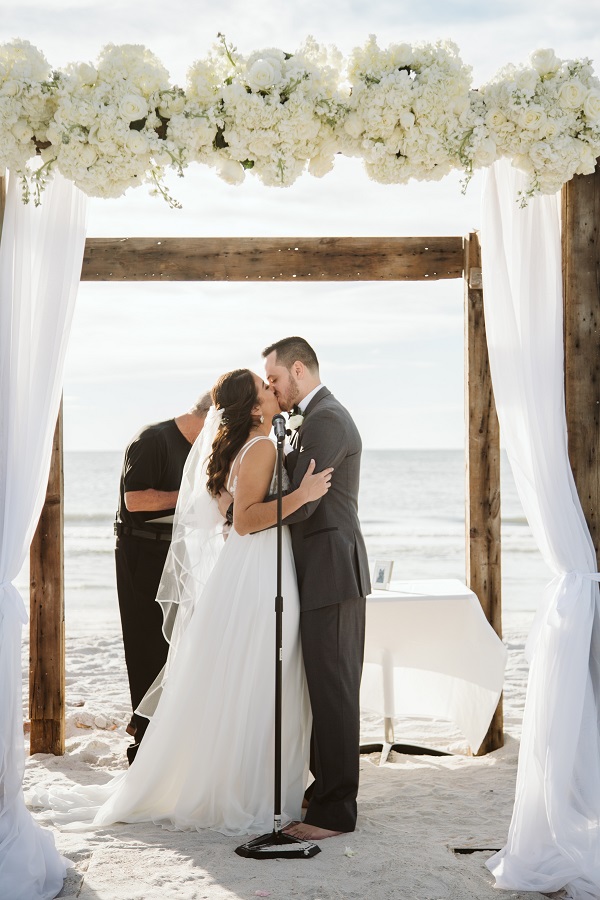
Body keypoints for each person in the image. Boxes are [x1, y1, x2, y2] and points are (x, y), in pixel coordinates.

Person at [32, 369, 332, 836]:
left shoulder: (248, 446)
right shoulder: (262, 447)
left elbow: (231, 510)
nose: (273, 392)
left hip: (251, 566)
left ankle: (249, 779)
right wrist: (301, 496)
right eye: (264, 389)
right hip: (256, 568)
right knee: (259, 670)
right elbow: (250, 521)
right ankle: (249, 788)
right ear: (254, 408)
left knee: (249, 671)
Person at [263, 337, 371, 840]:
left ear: (299, 370)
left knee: (334, 691)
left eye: (276, 379)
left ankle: (334, 812)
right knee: (322, 686)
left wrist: (252, 512)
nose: (273, 389)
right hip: (320, 571)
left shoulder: (326, 419)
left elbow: (303, 502)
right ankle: (322, 787)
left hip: (331, 569)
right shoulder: (314, 417)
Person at [114, 393, 211, 764]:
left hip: (174, 551)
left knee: (174, 645)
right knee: (145, 645)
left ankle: (162, 734)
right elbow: (135, 500)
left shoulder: (198, 448)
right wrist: (189, 496)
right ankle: (142, 744)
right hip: (141, 555)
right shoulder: (152, 439)